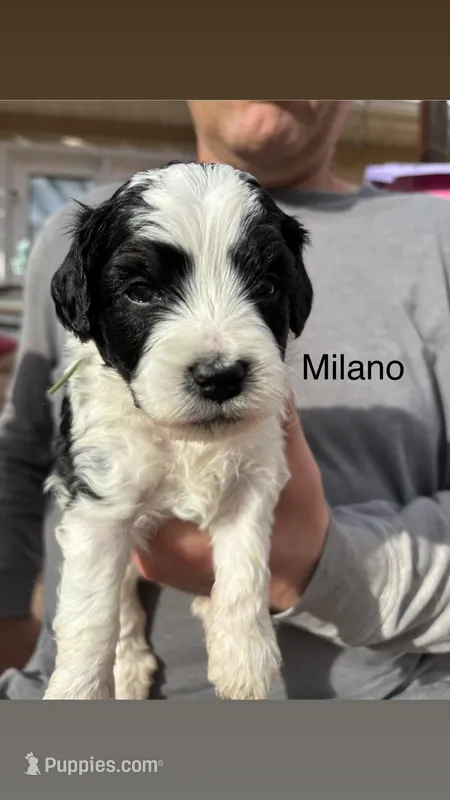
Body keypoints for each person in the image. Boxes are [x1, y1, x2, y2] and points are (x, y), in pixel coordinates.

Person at [1, 100, 450, 700]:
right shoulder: (76, 238)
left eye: (262, 285)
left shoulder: (435, 240)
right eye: (140, 288)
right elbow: (26, 458)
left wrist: (317, 567)